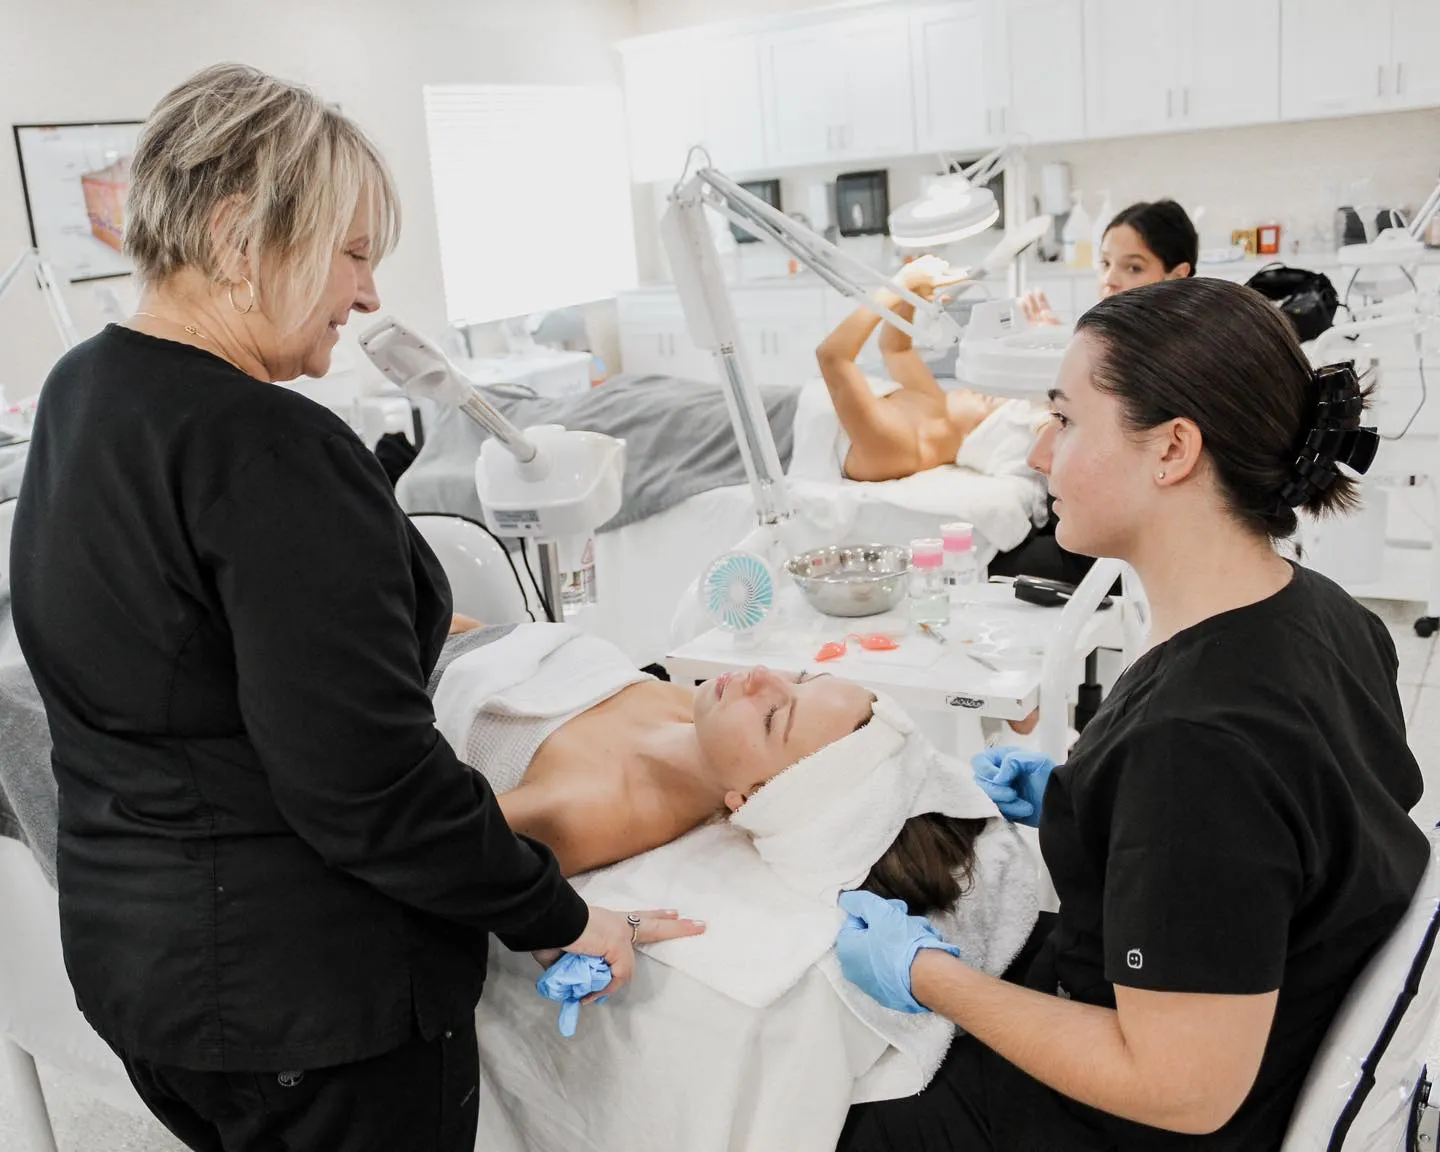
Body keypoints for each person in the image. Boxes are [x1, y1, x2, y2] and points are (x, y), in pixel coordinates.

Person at [10, 64, 699, 1152]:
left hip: (146, 980)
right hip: (308, 1002)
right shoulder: (269, 445)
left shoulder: (86, 390)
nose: (370, 296)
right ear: (242, 237)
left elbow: (182, 660)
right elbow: (369, 785)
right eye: (357, 251)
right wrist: (559, 915)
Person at [831, 277, 1427, 1150]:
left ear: (1173, 450)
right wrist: (1091, 802)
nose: (1040, 452)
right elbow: (1294, 831)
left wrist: (927, 976)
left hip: (1144, 1119)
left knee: (821, 1101)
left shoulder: (1194, 744)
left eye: (1066, 419)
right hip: (1243, 1012)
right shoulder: (1328, 614)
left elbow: (1182, 1091)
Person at [431, 623, 990, 910]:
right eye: (799, 679)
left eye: (773, 716)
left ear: (749, 799)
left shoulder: (589, 809)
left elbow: (409, 833)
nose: (761, 675)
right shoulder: (698, 717)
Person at [1021, 198, 1199, 325]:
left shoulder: (1191, 354)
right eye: (1105, 263)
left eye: (1133, 268)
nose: (1109, 280)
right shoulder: (1104, 343)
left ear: (1177, 276)